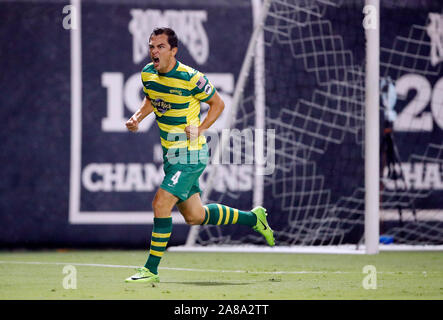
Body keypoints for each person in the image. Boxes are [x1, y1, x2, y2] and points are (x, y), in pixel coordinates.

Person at [124, 27, 274, 283]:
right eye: (151, 46)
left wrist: (202, 128)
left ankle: (150, 269)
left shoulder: (191, 77)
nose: (154, 51)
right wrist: (137, 117)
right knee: (195, 216)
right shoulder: (148, 73)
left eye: (160, 47)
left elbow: (218, 104)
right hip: (171, 156)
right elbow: (151, 98)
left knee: (160, 203)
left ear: (173, 51)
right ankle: (254, 218)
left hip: (191, 154)